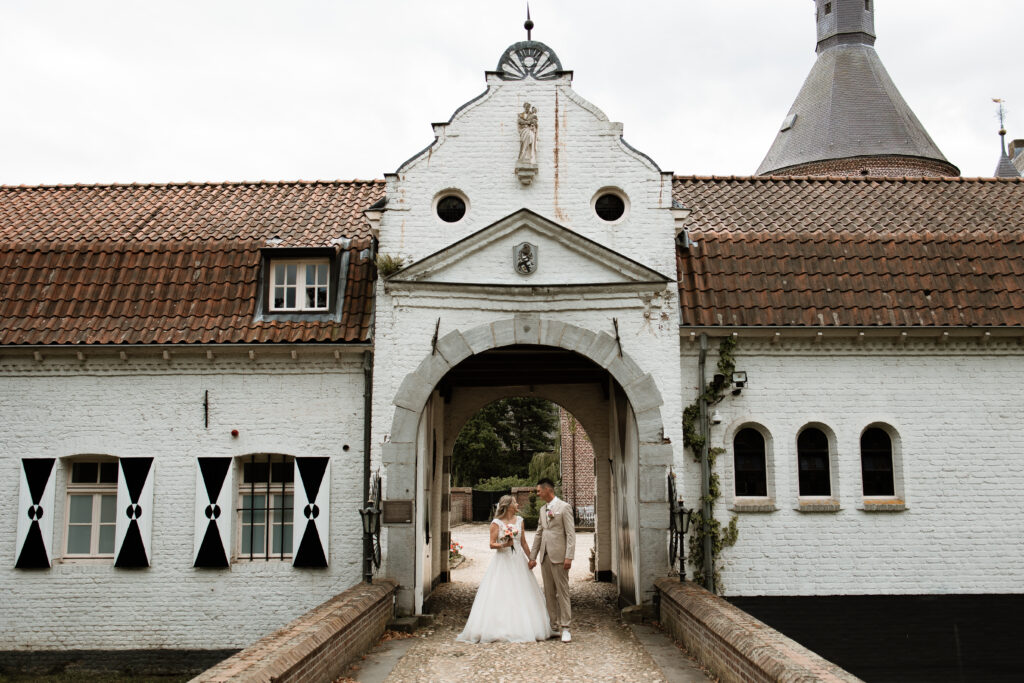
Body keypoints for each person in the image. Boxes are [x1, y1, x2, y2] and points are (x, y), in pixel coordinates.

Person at [456, 495, 552, 643]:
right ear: (507, 506)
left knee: (522, 591)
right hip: (503, 561)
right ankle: (499, 627)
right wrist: (504, 545)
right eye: (515, 502)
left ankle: (525, 626)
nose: (517, 504)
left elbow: (524, 543)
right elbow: (491, 544)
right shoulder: (496, 523)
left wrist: (531, 558)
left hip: (518, 560)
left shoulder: (520, 521)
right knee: (501, 591)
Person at [529, 477, 576, 642]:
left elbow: (571, 534)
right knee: (549, 593)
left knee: (562, 592)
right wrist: (533, 556)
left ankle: (566, 627)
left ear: (548, 489)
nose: (538, 493)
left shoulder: (564, 507)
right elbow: (539, 533)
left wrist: (569, 556)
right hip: (545, 556)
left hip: (560, 556)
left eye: (539, 491)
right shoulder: (543, 510)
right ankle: (553, 625)